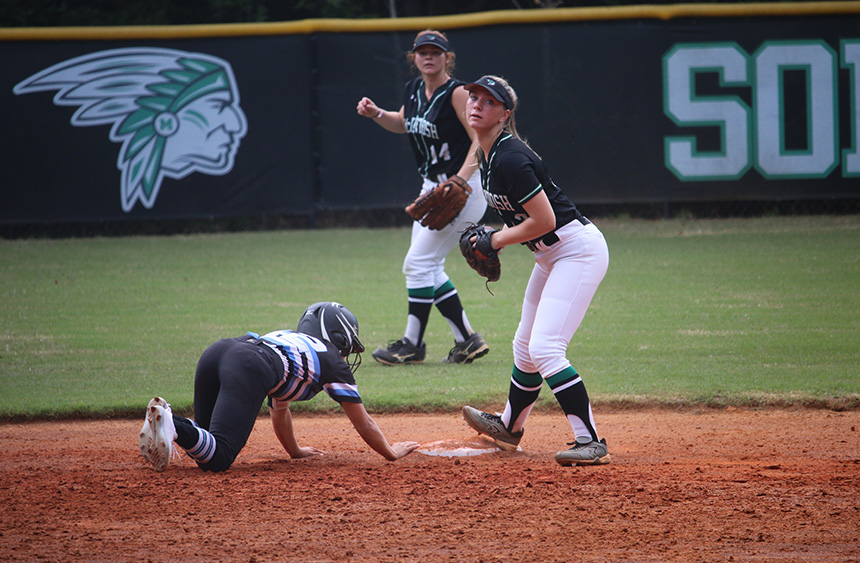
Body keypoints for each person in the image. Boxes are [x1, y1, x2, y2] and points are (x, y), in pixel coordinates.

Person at [458, 76, 612, 466]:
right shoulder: (485, 152)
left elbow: (543, 220)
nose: (477, 104)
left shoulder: (511, 157)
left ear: (505, 115)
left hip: (576, 251)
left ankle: (590, 440)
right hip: (550, 256)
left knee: (545, 348)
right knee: (525, 347)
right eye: (474, 97)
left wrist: (494, 241)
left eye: (489, 101)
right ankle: (509, 428)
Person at [138, 302, 420, 472]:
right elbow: (364, 421)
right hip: (250, 363)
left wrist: (295, 451)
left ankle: (170, 423)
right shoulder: (330, 359)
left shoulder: (293, 343)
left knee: (205, 448)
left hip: (221, 350)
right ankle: (171, 421)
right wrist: (390, 452)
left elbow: (279, 411)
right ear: (338, 336)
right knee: (220, 458)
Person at [356, 29, 489, 366]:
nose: (428, 57)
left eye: (435, 51)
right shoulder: (414, 90)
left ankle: (412, 345)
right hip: (432, 187)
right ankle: (467, 340)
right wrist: (377, 115)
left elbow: (480, 138)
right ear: (413, 58)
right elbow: (405, 122)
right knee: (427, 265)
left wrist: (461, 178)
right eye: (422, 52)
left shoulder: (458, 93)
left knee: (418, 263)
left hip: (463, 189)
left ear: (447, 57)